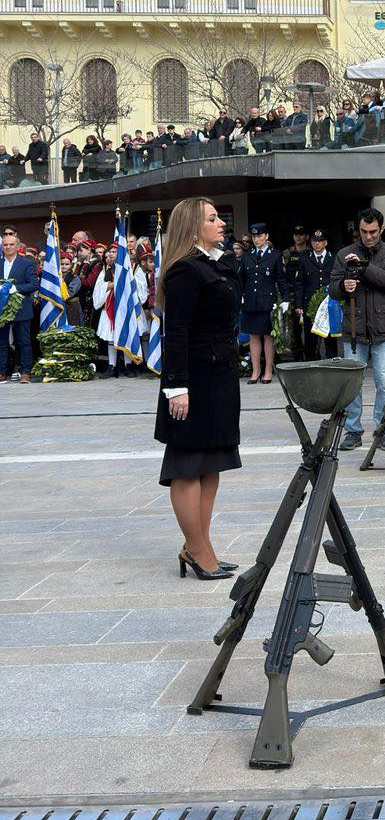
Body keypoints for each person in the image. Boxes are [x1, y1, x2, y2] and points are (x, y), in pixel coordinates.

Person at [155, 197, 242, 580]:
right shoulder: (186, 271)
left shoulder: (214, 264)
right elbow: (175, 332)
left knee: (211, 464)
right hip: (194, 380)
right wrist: (176, 386)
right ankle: (197, 550)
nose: (221, 222)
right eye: (212, 218)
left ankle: (201, 546)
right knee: (188, 466)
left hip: (219, 377)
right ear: (192, 227)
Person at [331, 207, 385, 452]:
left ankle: (382, 429)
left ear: (381, 229)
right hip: (354, 329)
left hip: (384, 329)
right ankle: (353, 431)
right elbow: (333, 288)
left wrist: (363, 268)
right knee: (352, 384)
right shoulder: (344, 254)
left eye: (373, 231)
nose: (368, 236)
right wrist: (344, 285)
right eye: (363, 231)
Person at [239, 223, 285, 383]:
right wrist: (240, 296)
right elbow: (241, 279)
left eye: (259, 236)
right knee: (253, 336)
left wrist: (285, 300)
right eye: (254, 236)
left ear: (266, 237)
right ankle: (255, 371)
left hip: (267, 301)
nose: (256, 239)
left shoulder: (275, 255)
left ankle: (268, 371)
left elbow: (281, 279)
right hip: (251, 301)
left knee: (268, 336)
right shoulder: (247, 256)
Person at [93, 244, 147, 378]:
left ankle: (129, 364)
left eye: (114, 251)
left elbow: (141, 288)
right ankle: (112, 366)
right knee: (111, 337)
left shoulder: (134, 268)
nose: (111, 254)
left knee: (127, 333)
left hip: (128, 308)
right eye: (109, 251)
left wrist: (127, 282)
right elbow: (98, 288)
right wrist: (110, 285)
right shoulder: (106, 268)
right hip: (111, 307)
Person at [0, 225, 38, 382]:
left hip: (21, 308)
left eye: (11, 244)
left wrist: (16, 288)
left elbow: (34, 284)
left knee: (23, 342)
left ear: (17, 246)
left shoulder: (26, 263)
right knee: (1, 343)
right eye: (5, 245)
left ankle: (26, 372)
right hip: (2, 309)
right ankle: (2, 373)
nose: (8, 247)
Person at [295, 227, 337, 359]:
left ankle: (332, 366)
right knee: (310, 340)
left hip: (329, 304)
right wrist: (298, 304)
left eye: (320, 240)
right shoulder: (304, 259)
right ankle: (311, 366)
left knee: (330, 339)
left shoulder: (334, 258)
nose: (317, 243)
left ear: (326, 243)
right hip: (310, 306)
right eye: (314, 241)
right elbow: (299, 284)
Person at [282, 224, 310, 356]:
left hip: (309, 293)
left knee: (311, 327)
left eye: (301, 234)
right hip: (293, 293)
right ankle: (298, 353)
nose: (298, 237)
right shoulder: (287, 253)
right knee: (294, 326)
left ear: (306, 236)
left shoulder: (311, 252)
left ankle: (312, 353)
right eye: (296, 234)